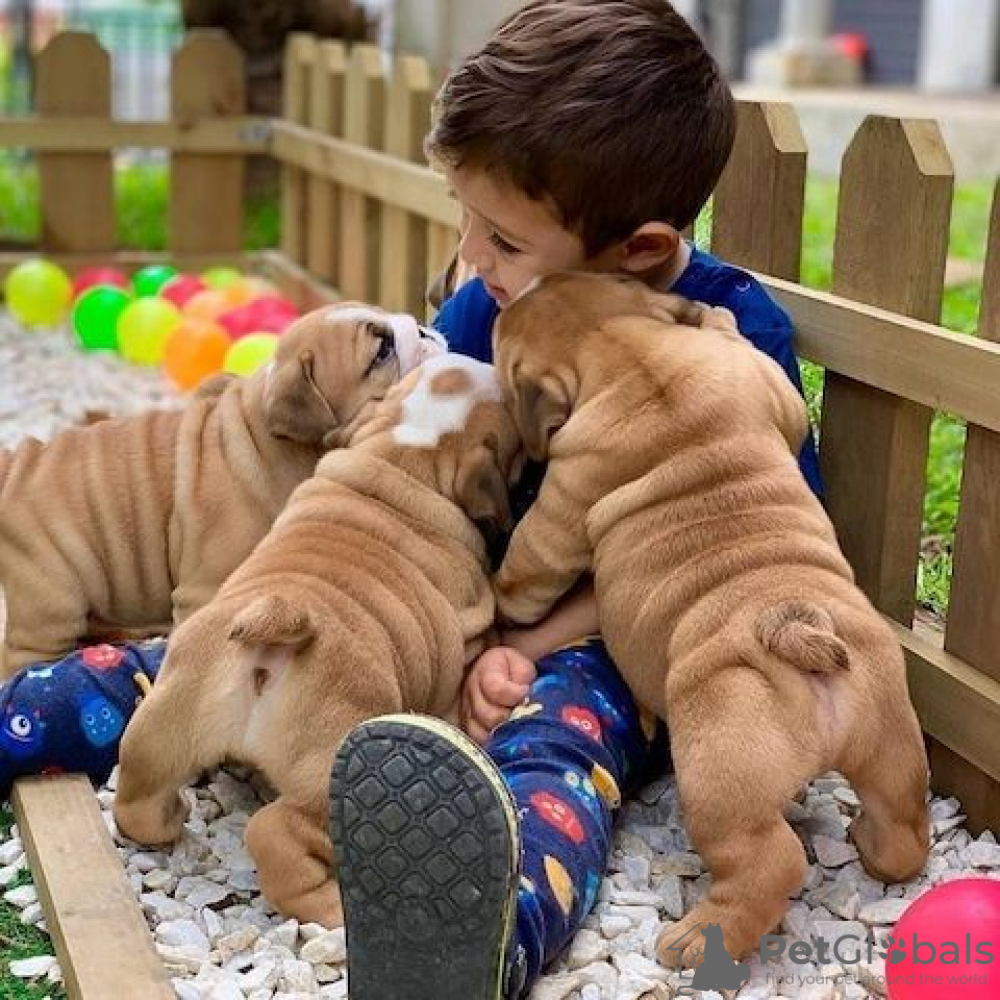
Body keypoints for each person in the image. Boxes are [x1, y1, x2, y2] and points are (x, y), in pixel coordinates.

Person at [327, 2, 823, 999]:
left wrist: (529, 644)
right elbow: (419, 460)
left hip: (632, 640)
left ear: (637, 249)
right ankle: (51, 715)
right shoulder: (488, 304)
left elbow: (736, 555)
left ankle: (491, 930)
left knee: (557, 743)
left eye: (504, 239)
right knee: (293, 629)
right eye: (465, 217)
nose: (471, 257)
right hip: (477, 597)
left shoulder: (731, 334)